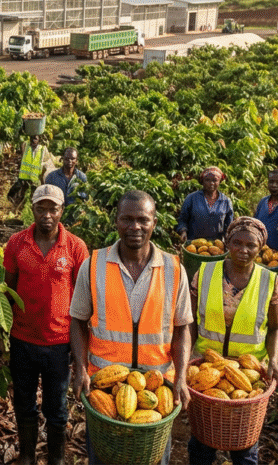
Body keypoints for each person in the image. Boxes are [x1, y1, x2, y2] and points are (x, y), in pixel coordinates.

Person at [70, 190, 192, 465]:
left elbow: (183, 327)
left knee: (152, 459)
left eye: (142, 220)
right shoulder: (93, 265)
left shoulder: (174, 269)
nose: (134, 227)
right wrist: (79, 368)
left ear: (154, 223)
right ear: (116, 221)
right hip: (105, 388)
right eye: (127, 219)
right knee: (105, 457)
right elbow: (77, 320)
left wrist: (181, 376)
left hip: (156, 388)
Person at [188, 217, 278, 465]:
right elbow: (189, 321)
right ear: (227, 243)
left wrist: (273, 361)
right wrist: (186, 357)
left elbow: (275, 328)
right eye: (237, 243)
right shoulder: (206, 272)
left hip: (249, 372)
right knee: (202, 441)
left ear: (260, 247)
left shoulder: (270, 281)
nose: (243, 250)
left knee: (244, 445)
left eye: (251, 245)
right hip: (207, 369)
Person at [4, 184, 88, 465]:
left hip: (59, 343)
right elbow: (8, 290)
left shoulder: (75, 247)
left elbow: (83, 302)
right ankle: (27, 456)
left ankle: (56, 459)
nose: (47, 214)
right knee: (24, 404)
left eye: (53, 208)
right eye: (41, 208)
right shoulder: (16, 243)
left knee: (57, 408)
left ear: (62, 211)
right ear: (33, 209)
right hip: (22, 339)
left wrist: (81, 357)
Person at [177, 166, 234, 243]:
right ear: (202, 181)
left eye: (215, 180)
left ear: (219, 181)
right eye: (207, 180)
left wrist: (228, 238)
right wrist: (183, 231)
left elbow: (229, 225)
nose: (211, 183)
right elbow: (182, 219)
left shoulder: (226, 201)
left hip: (216, 246)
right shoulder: (192, 198)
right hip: (193, 244)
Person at [8, 135, 52, 206]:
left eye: (35, 139)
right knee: (19, 194)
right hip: (24, 176)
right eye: (31, 138)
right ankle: (16, 206)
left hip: (35, 178)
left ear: (39, 140)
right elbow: (23, 140)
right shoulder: (26, 146)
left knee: (33, 197)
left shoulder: (42, 149)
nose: (33, 140)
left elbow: (46, 160)